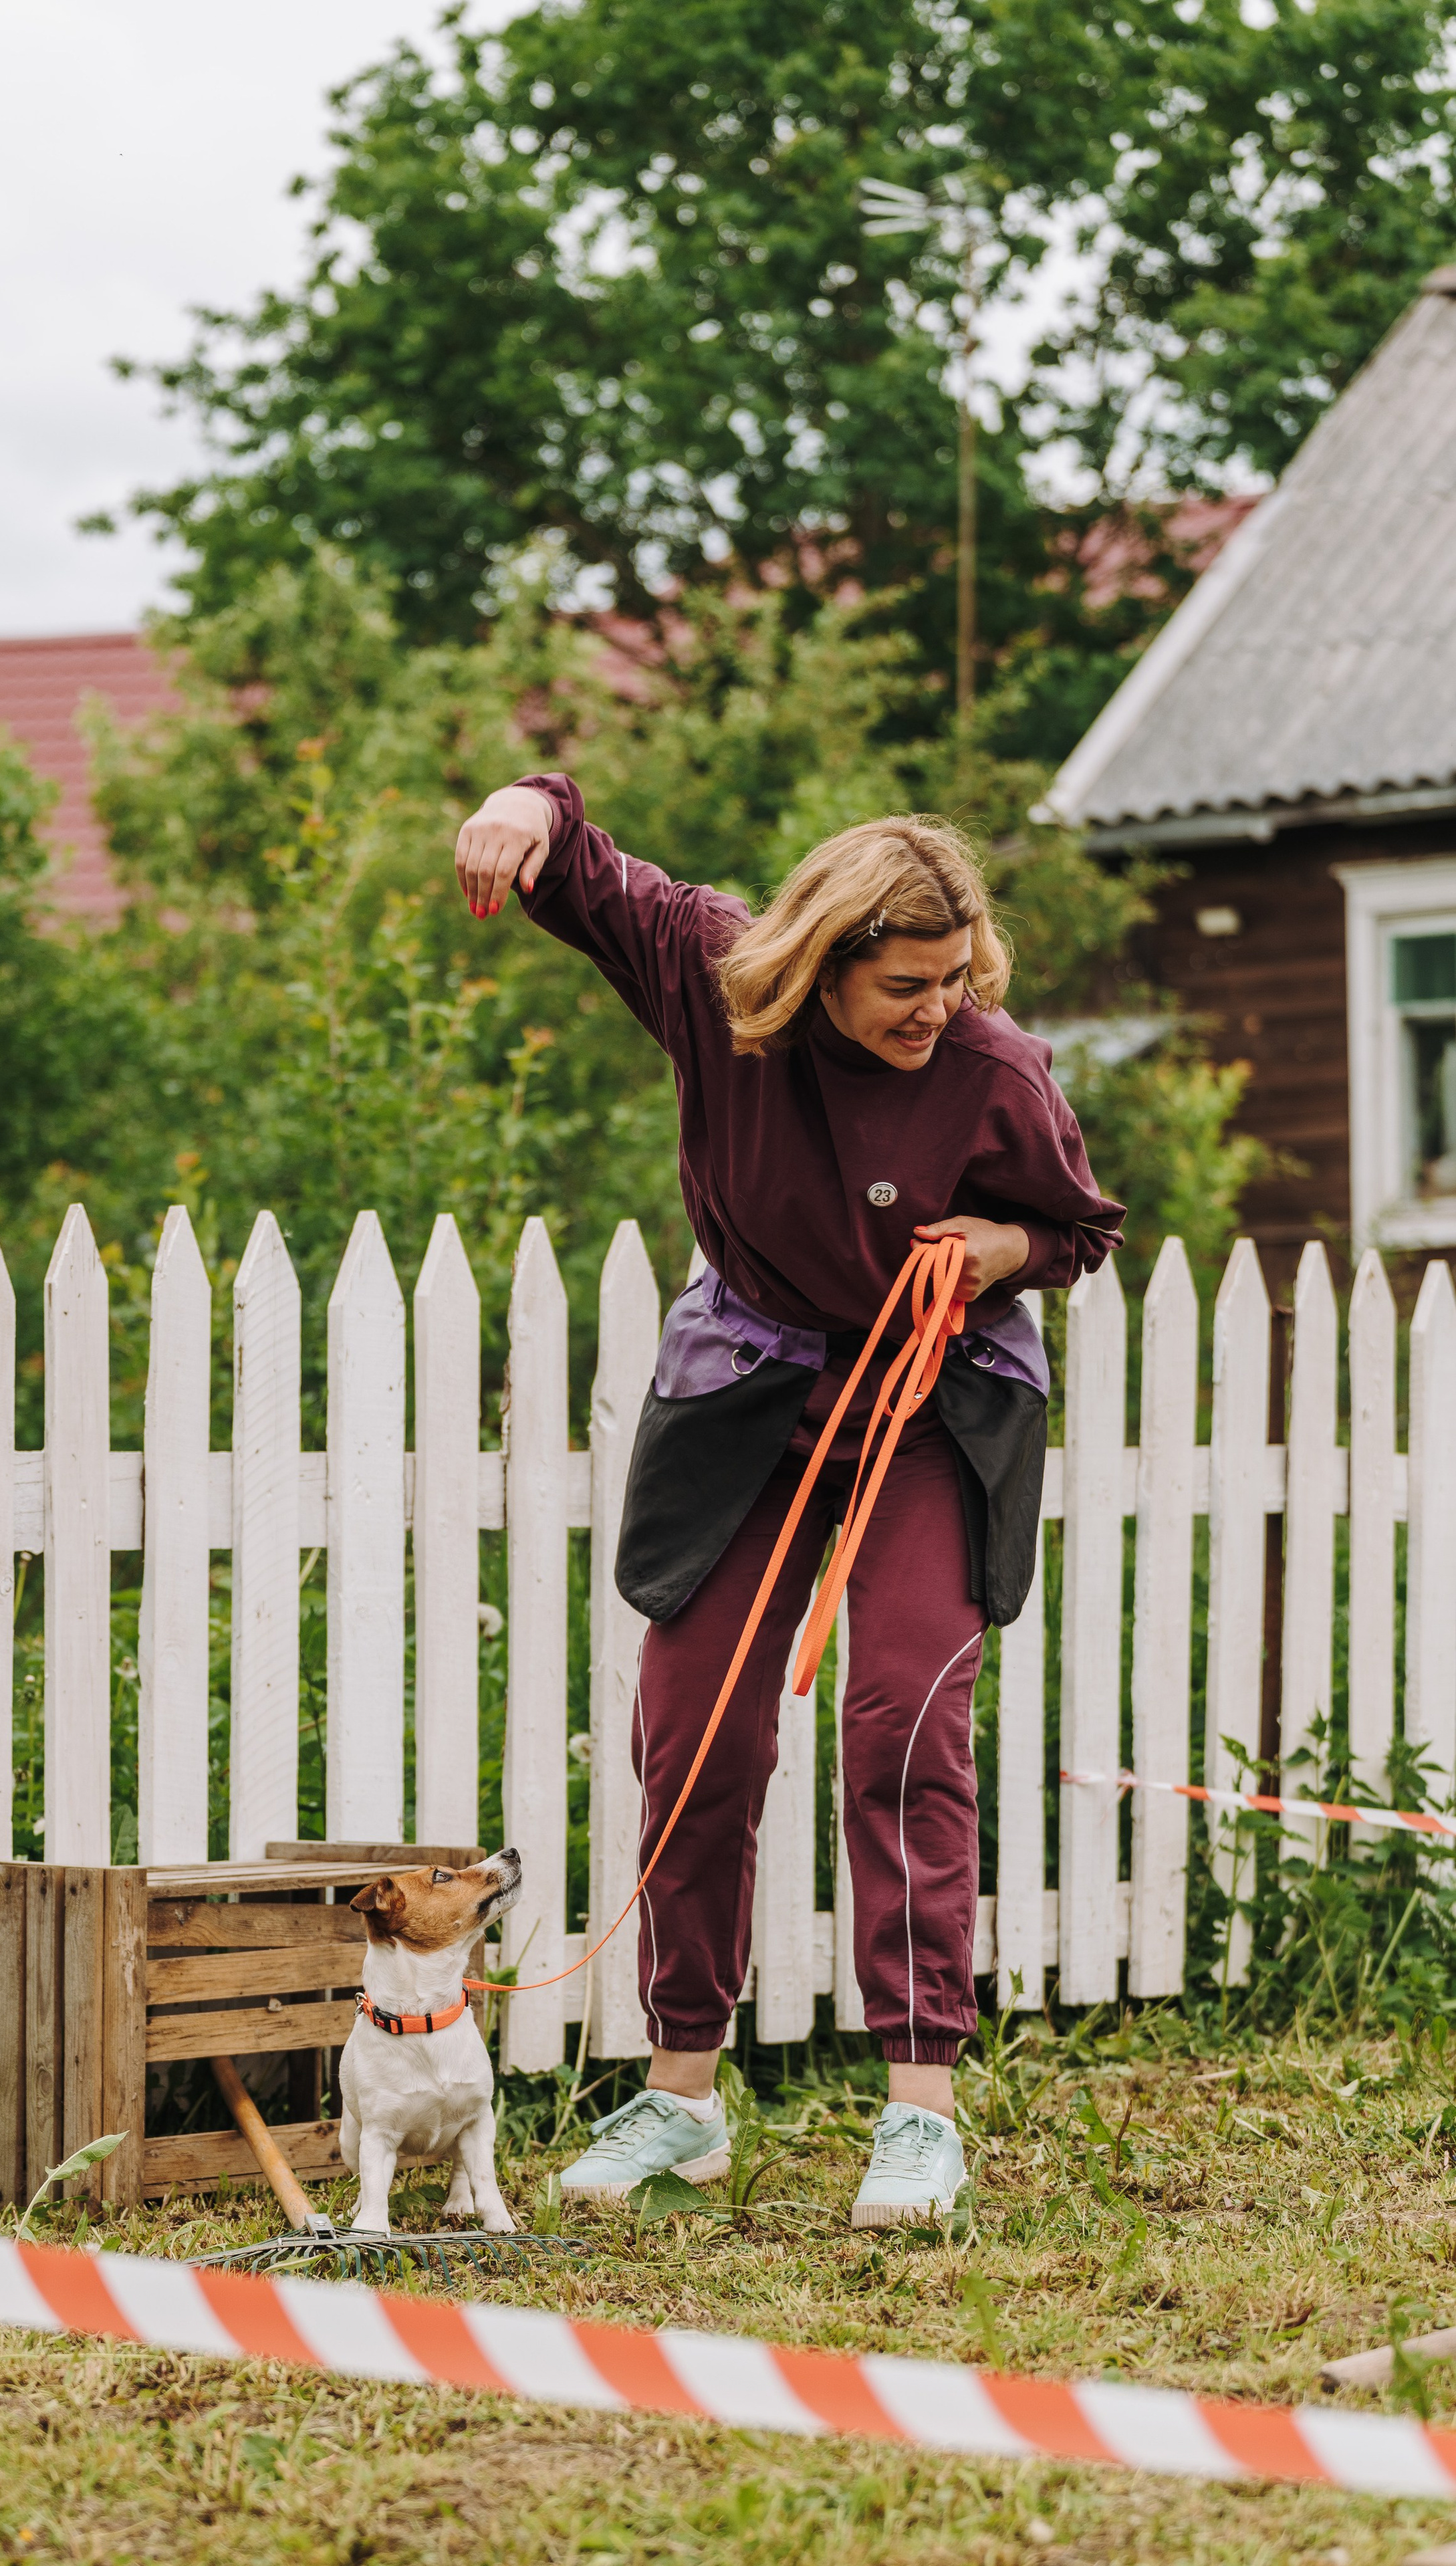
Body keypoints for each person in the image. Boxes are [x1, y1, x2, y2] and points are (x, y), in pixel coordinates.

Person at [454, 774, 1123, 2226]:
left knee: (899, 1719)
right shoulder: (713, 976)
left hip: (928, 1404)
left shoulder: (994, 1072)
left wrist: (1005, 1241)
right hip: (751, 1394)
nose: (932, 1008)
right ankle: (680, 2098)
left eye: (952, 979)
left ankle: (918, 2110)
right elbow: (588, 870)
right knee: (695, 1729)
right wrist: (524, 803)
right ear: (818, 958)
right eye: (901, 984)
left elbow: (1079, 1229)